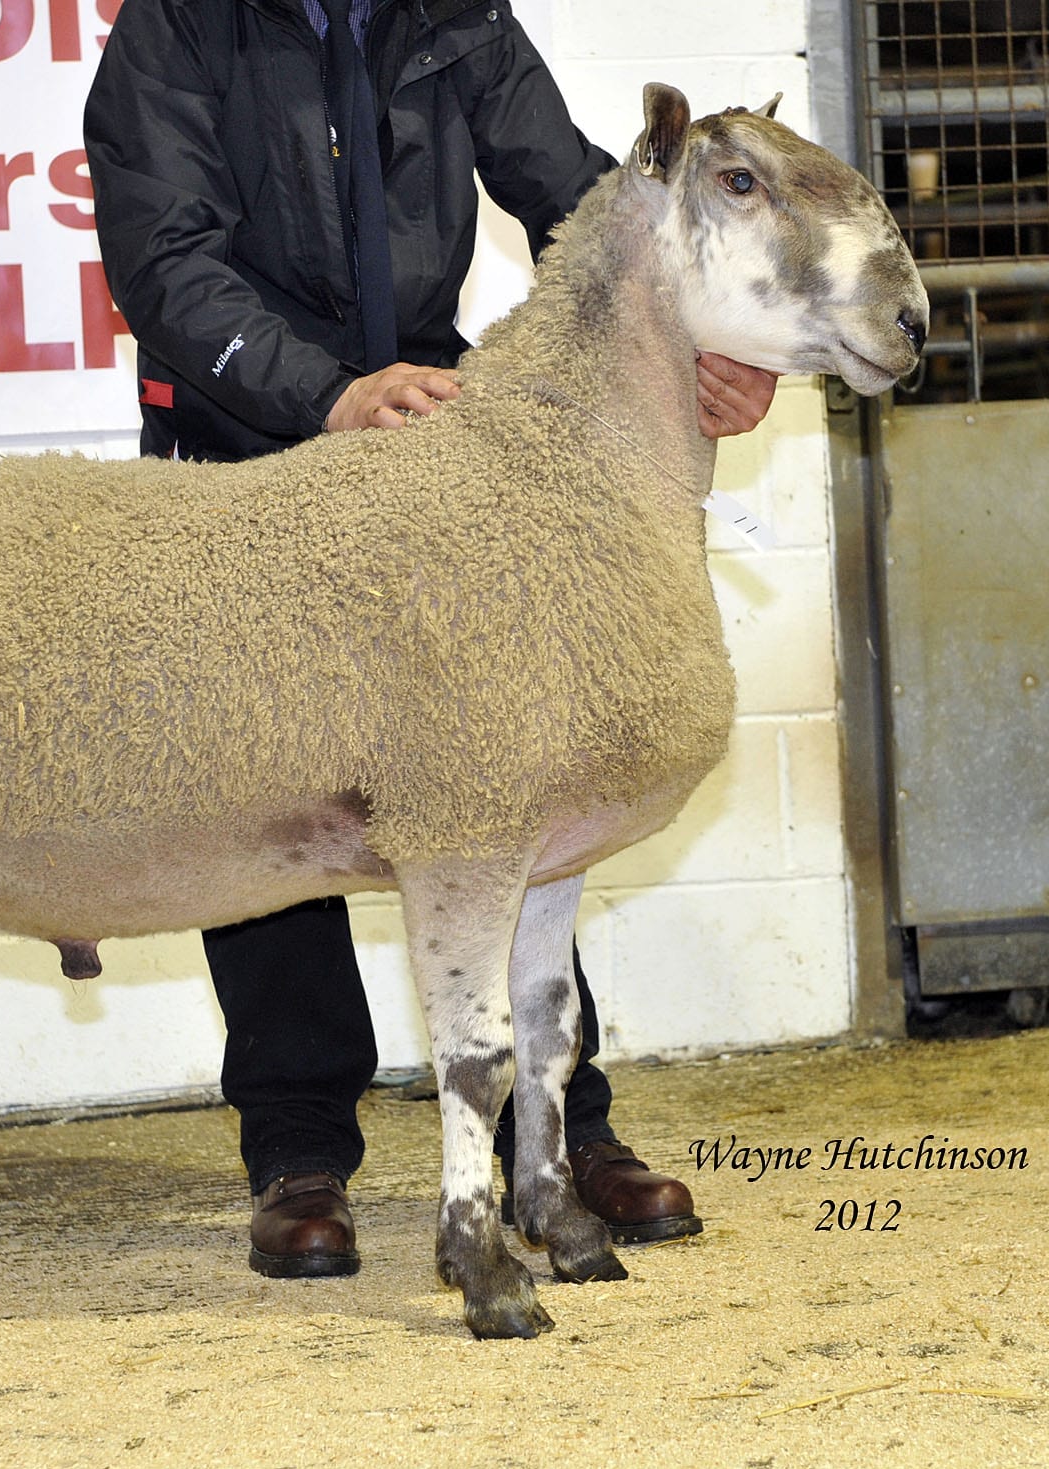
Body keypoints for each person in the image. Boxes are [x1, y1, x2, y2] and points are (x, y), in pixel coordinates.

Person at [84, 0, 778, 1278]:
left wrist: (709, 346)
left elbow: (587, 207)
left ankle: (562, 1133)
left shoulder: (456, 16)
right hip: (249, 435)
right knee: (260, 792)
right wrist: (324, 392)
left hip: (422, 433)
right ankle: (297, 1151)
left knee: (504, 771)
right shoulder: (180, 28)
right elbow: (162, 254)